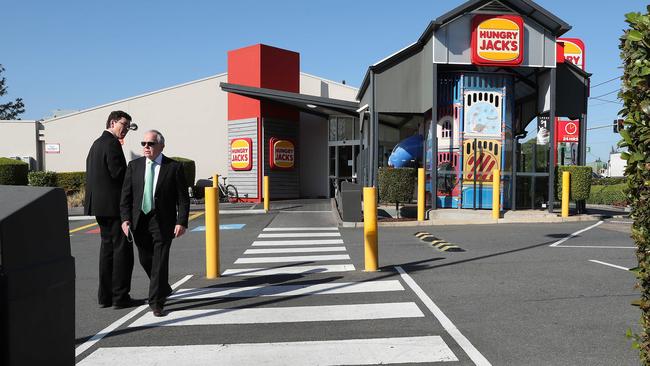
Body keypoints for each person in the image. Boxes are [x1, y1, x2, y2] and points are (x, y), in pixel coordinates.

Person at [120, 129, 189, 317]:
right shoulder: (134, 166)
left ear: (161, 146)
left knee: (160, 261)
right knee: (145, 259)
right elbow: (126, 196)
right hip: (139, 221)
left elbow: (183, 199)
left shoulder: (174, 167)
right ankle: (163, 287)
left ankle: (156, 302)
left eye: (150, 144)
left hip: (163, 222)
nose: (146, 147)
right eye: (143, 144)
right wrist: (125, 219)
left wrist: (181, 221)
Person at [85, 110, 141, 309]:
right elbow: (120, 175)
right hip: (115, 207)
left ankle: (105, 297)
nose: (125, 129)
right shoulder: (112, 144)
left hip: (100, 207)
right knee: (122, 252)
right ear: (112, 122)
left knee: (107, 250)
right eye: (123, 124)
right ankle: (120, 296)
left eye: (127, 126)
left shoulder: (96, 144)